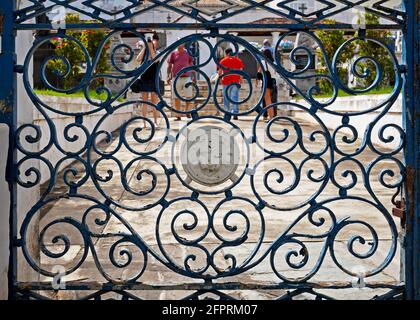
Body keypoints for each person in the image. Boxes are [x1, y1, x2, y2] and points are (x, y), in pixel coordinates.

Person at [135, 37, 160, 129]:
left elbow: (155, 59)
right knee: (144, 102)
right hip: (144, 78)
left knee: (154, 102)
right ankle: (144, 122)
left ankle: (155, 122)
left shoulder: (156, 53)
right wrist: (145, 47)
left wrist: (151, 48)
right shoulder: (144, 54)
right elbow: (138, 59)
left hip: (153, 79)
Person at [167, 42, 195, 121]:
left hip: (186, 77)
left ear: (183, 44)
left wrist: (194, 77)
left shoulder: (188, 53)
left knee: (188, 95)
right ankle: (178, 114)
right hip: (176, 77)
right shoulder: (173, 54)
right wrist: (168, 76)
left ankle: (187, 111)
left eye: (181, 43)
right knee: (176, 97)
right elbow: (169, 66)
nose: (179, 45)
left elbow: (191, 64)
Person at [218, 47, 244, 120]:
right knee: (234, 97)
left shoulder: (223, 61)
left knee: (226, 97)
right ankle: (235, 112)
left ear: (226, 53)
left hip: (226, 81)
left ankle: (227, 112)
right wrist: (241, 79)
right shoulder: (238, 60)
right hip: (235, 81)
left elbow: (220, 72)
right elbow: (241, 71)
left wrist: (220, 79)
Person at [257, 48, 277, 121]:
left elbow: (258, 74)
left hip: (267, 82)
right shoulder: (274, 63)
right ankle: (272, 116)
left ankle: (270, 117)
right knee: (273, 100)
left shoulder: (262, 62)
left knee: (267, 100)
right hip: (274, 81)